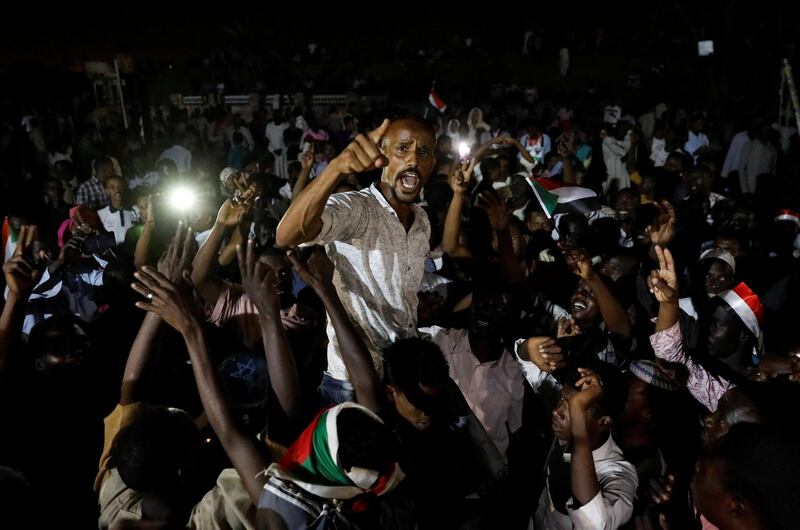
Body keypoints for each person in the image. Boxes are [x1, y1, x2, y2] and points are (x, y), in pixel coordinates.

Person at [276, 117, 437, 403]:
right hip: (351, 383)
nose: (413, 158)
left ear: (432, 163)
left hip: (401, 378)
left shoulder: (422, 219)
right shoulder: (357, 208)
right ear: (383, 155)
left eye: (423, 152)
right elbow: (286, 236)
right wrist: (336, 167)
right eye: (403, 148)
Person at [97, 175, 139, 245]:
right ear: (107, 191)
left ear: (124, 188)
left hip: (134, 252)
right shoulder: (101, 214)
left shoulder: (135, 209)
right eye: (112, 188)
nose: (117, 190)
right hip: (113, 254)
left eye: (120, 187)